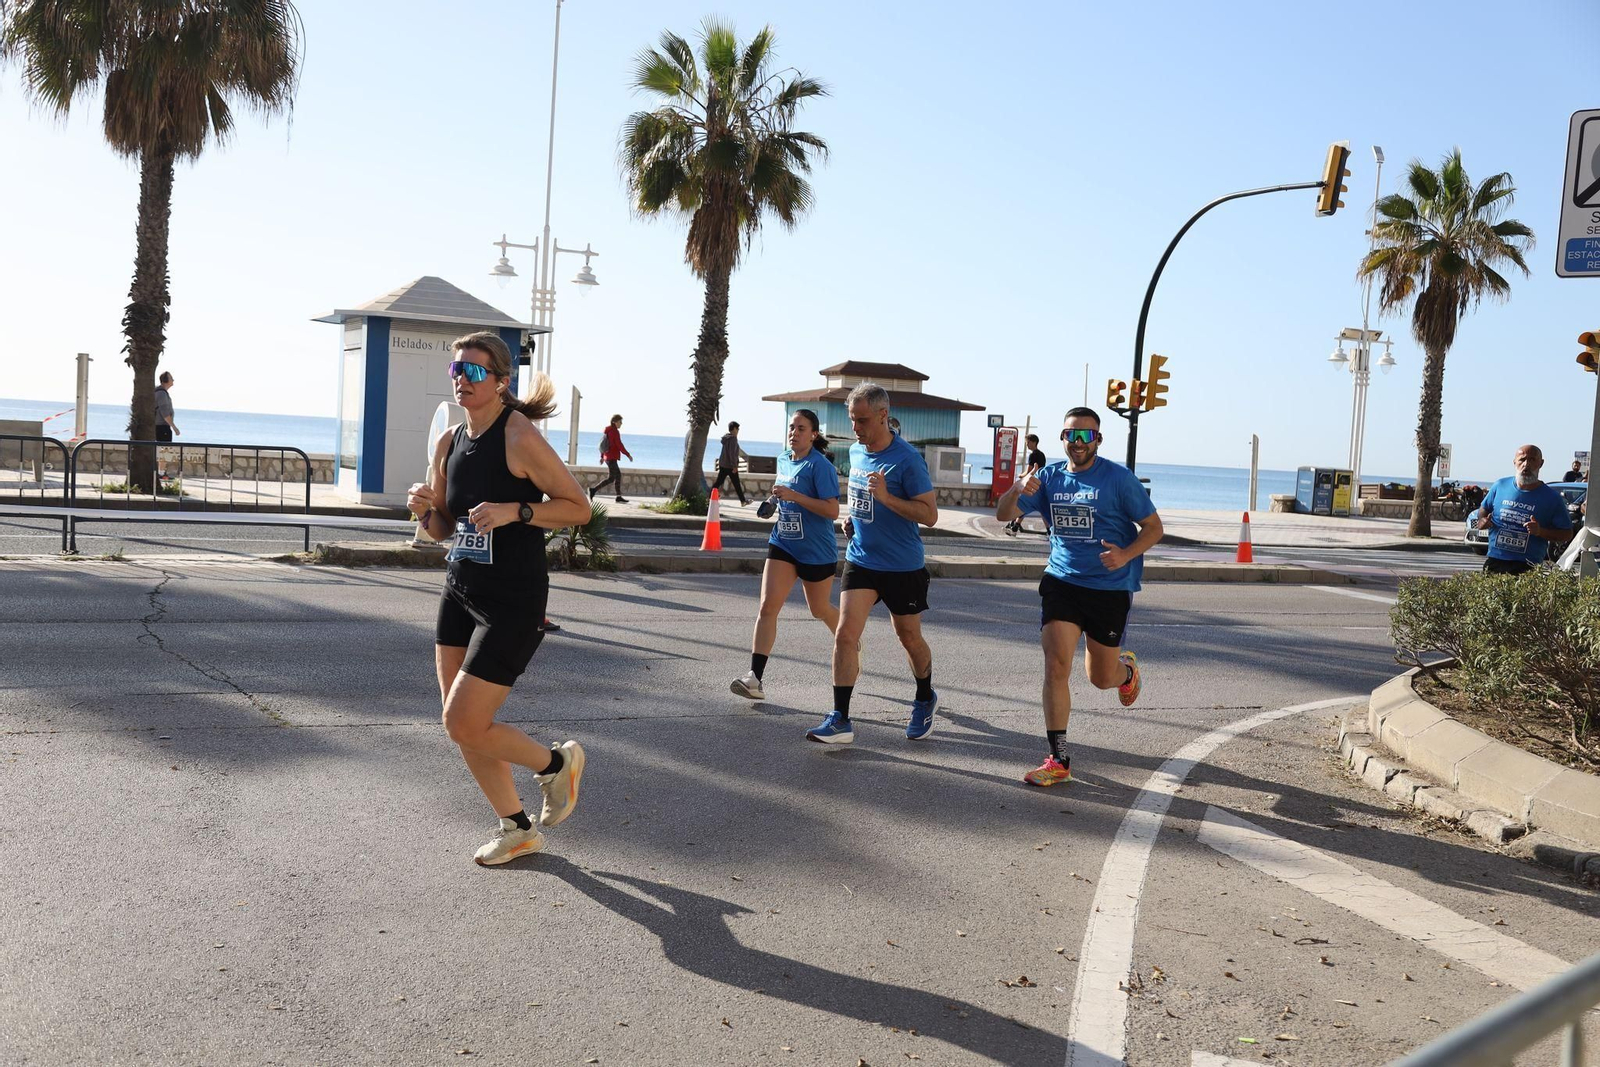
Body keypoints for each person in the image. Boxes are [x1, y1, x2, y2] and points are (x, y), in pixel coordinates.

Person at [406, 331, 594, 866]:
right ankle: (518, 829)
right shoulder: (449, 442)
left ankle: (555, 766)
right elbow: (444, 528)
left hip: (513, 598)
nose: (461, 380)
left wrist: (517, 511)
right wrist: (425, 509)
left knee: (464, 722)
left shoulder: (518, 435)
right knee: (462, 724)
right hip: (459, 590)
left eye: (473, 371)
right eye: (456, 370)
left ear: (501, 381)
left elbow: (578, 508)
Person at [996, 407, 1164, 787]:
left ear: (1098, 440)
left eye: (1086, 435)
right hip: (1062, 580)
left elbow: (1154, 528)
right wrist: (1017, 488)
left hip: (1109, 587)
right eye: (1071, 435)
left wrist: (1125, 554)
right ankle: (1058, 760)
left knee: (1100, 677)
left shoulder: (1118, 479)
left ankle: (1126, 671)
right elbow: (1002, 513)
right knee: (1056, 665)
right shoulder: (1048, 478)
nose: (1078, 442)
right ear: (1062, 438)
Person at [807, 383, 940, 745]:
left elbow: (929, 515)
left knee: (908, 637)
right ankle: (840, 718)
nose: (856, 428)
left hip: (902, 565)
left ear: (883, 415)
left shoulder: (907, 459)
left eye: (862, 420)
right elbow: (862, 498)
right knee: (845, 634)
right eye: (852, 420)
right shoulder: (855, 450)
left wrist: (887, 497)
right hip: (862, 558)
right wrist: (855, 518)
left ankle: (925, 696)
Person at [731, 409, 841, 701]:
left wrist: (796, 497)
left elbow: (832, 510)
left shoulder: (820, 466)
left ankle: (849, 638)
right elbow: (785, 493)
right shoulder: (783, 459)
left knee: (819, 609)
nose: (794, 432)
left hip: (816, 549)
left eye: (801, 428)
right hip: (784, 541)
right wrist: (775, 500)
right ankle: (754, 679)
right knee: (767, 607)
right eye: (792, 427)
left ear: (813, 435)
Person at [1475, 444, 1574, 575]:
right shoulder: (1500, 485)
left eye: (1532, 459)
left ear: (1541, 463)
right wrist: (1482, 520)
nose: (1526, 464)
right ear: (1514, 462)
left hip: (1527, 566)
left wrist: (1540, 531)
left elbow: (1567, 534)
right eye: (1522, 459)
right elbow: (1484, 508)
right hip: (1495, 561)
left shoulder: (1552, 498)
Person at [1005, 434, 1049, 536]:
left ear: (1034, 442)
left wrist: (1020, 476)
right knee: (1041, 508)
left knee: (1022, 505)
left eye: (1028, 442)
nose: (1027, 445)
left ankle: (1014, 528)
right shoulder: (1042, 455)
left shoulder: (1033, 455)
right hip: (1041, 484)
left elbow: (1029, 471)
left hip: (1031, 484)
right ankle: (1049, 531)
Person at [589, 414, 633, 503]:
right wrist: (628, 454)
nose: (621, 423)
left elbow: (604, 444)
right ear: (614, 422)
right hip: (611, 457)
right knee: (611, 478)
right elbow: (619, 444)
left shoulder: (608, 431)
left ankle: (618, 496)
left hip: (608, 457)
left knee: (617, 476)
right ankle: (593, 490)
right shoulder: (614, 432)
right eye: (620, 422)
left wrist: (602, 457)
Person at [712, 421, 748, 506]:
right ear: (734, 429)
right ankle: (743, 501)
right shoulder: (733, 439)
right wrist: (734, 466)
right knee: (736, 484)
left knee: (718, 482)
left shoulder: (726, 438)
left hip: (723, 464)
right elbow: (732, 454)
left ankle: (709, 497)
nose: (738, 430)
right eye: (737, 428)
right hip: (730, 466)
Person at [153, 371, 179, 480]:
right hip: (162, 426)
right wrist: (174, 427)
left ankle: (161, 472)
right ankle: (161, 473)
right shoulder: (162, 394)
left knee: (163, 451)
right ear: (166, 380)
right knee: (165, 451)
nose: (173, 380)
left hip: (161, 426)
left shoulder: (161, 392)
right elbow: (164, 413)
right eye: (171, 378)